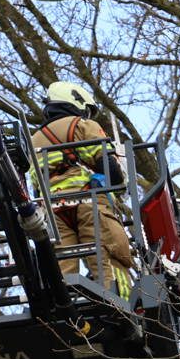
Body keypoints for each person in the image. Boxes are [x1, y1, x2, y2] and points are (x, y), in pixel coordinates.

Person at [30, 80, 133, 291]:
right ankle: (122, 309)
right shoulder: (82, 126)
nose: (86, 115)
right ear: (76, 101)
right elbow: (111, 171)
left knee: (62, 270)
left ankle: (66, 314)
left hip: (53, 211)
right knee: (108, 257)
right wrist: (118, 177)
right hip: (89, 203)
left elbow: (34, 186)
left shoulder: (33, 141)